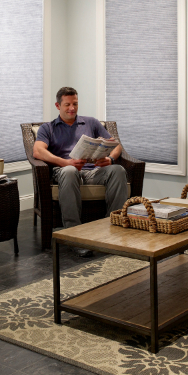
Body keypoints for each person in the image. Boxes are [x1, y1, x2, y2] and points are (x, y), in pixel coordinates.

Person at [33, 87, 128, 257]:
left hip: (93, 172)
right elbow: (37, 152)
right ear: (58, 105)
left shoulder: (91, 122)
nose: (72, 108)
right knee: (70, 171)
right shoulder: (47, 128)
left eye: (75, 104)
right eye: (67, 104)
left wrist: (110, 159)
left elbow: (117, 145)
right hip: (66, 172)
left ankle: (112, 228)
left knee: (118, 170)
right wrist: (65, 162)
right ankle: (74, 236)